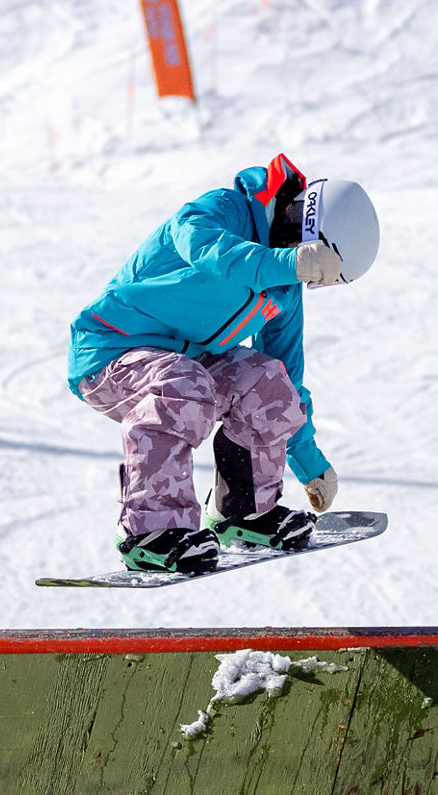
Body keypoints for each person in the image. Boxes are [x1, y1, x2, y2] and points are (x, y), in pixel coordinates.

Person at [66, 154, 381, 573]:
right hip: (111, 353)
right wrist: (286, 264)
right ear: (304, 232)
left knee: (268, 382)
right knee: (182, 382)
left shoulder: (284, 287)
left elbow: (288, 375)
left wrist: (311, 463)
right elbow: (205, 249)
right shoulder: (223, 209)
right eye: (318, 270)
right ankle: (149, 530)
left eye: (322, 280)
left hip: (182, 363)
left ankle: (244, 513)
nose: (311, 283)